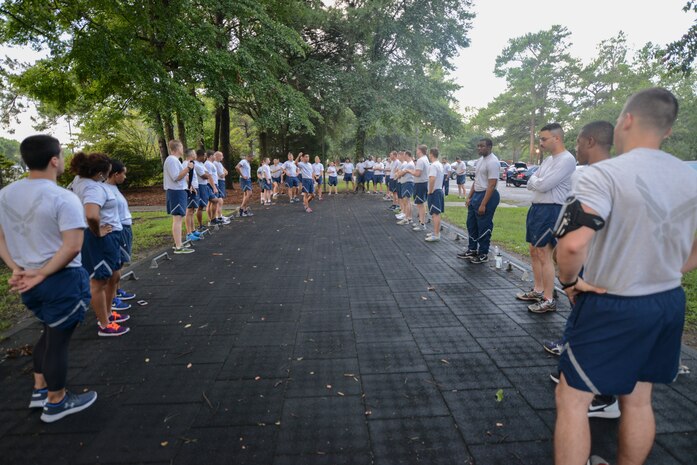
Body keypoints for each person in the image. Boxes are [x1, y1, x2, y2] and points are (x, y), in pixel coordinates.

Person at [553, 88, 697, 465]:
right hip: (667, 300)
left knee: (573, 399)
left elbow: (571, 246)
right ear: (666, 131)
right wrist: (667, 267)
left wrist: (569, 282)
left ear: (627, 120)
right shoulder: (689, 176)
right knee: (639, 397)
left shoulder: (605, 174)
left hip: (613, 302)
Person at [0, 135, 98, 422]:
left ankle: (40, 389)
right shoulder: (63, 197)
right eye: (62, 155)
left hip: (29, 283)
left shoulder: (5, 194)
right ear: (54, 160)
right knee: (57, 342)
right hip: (61, 280)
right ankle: (56, 402)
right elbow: (73, 246)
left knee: (48, 333)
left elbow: (2, 238)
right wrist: (42, 272)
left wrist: (16, 268)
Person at [543, 121, 614, 357]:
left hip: (590, 258)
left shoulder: (589, 179)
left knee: (583, 302)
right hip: (611, 262)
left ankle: (574, 346)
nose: (577, 148)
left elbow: (571, 240)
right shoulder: (621, 176)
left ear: (591, 142)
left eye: (578, 143)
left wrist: (569, 280)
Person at [515, 123, 575, 313]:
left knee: (544, 253)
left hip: (552, 210)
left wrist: (536, 181)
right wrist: (536, 181)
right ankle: (538, 289)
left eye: (543, 139)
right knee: (533, 250)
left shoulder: (566, 159)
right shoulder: (549, 160)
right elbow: (531, 182)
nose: (540, 142)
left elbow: (541, 184)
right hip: (537, 208)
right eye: (540, 139)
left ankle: (549, 299)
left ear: (557, 138)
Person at [70, 152, 131, 337]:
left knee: (110, 276)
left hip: (105, 237)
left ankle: (107, 315)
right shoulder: (93, 188)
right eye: (107, 172)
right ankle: (104, 324)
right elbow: (91, 214)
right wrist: (97, 231)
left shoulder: (80, 180)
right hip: (100, 239)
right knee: (99, 281)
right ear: (100, 174)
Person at [459, 138, 501, 264]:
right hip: (476, 194)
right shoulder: (480, 161)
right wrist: (469, 197)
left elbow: (492, 184)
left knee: (484, 225)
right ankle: (472, 249)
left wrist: (483, 204)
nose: (479, 148)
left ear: (489, 147)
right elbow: (476, 180)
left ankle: (483, 253)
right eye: (478, 146)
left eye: (482, 146)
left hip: (488, 195)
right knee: (471, 223)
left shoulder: (493, 162)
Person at [105, 159, 138, 310]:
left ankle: (117, 291)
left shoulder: (114, 188)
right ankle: (112, 298)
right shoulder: (105, 189)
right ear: (115, 174)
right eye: (123, 174)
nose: (125, 177)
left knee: (120, 263)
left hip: (124, 227)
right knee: (116, 264)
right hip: (118, 229)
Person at [163, 140, 195, 254]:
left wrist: (189, 184)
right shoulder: (171, 160)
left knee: (179, 217)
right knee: (177, 218)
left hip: (179, 190)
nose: (183, 149)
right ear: (177, 148)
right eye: (181, 147)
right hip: (175, 192)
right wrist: (188, 168)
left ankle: (178, 243)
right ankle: (178, 246)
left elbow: (181, 177)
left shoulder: (175, 160)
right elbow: (176, 177)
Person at [183, 149, 203, 242]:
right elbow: (186, 177)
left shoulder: (191, 163)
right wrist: (191, 186)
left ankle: (193, 230)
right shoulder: (186, 164)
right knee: (189, 210)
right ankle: (189, 233)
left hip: (195, 187)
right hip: (191, 189)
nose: (196, 154)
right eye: (194, 153)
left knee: (192, 211)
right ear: (191, 154)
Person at [409, 144, 431, 231]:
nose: (416, 152)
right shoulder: (425, 159)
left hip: (420, 184)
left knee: (420, 204)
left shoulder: (421, 160)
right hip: (423, 183)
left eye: (417, 150)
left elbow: (418, 174)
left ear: (420, 151)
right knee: (421, 203)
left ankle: (422, 223)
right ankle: (421, 222)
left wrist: (409, 171)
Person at [425, 148, 444, 242]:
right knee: (435, 213)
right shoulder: (439, 164)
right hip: (438, 190)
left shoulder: (433, 165)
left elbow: (432, 179)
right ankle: (436, 232)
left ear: (431, 154)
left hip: (435, 192)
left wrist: (430, 191)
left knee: (435, 214)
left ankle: (436, 235)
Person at [396, 151, 415, 225]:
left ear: (407, 155)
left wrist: (399, 173)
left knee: (407, 201)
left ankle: (407, 218)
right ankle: (409, 218)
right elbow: (399, 173)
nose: (403, 157)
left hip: (408, 183)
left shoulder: (409, 164)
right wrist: (399, 173)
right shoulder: (408, 164)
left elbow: (400, 174)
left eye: (404, 155)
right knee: (407, 201)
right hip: (406, 183)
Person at [204, 150, 222, 225]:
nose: (215, 157)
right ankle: (212, 219)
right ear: (211, 156)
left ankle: (213, 219)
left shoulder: (211, 164)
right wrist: (214, 187)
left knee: (213, 202)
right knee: (214, 201)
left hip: (214, 184)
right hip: (211, 184)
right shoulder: (208, 164)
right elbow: (209, 176)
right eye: (214, 155)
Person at [213, 151, 230, 224]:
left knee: (221, 200)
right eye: (221, 156)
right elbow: (222, 175)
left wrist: (224, 173)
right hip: (219, 182)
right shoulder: (215, 163)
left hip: (221, 182)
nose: (222, 157)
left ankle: (220, 215)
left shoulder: (219, 163)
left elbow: (226, 171)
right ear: (217, 156)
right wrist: (224, 173)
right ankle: (219, 216)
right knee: (220, 200)